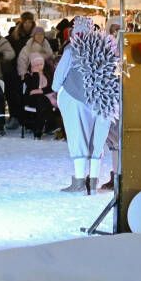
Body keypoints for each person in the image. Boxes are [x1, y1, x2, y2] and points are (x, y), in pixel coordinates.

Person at [53, 17, 118, 194]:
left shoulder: (72, 48)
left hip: (74, 96)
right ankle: (93, 182)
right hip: (102, 98)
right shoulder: (107, 47)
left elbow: (59, 76)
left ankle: (80, 181)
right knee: (97, 140)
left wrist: (56, 89)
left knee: (78, 137)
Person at [21, 54, 57, 140]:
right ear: (32, 65)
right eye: (36, 65)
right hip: (32, 100)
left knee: (43, 103)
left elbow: (51, 88)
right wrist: (36, 74)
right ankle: (50, 125)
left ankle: (38, 131)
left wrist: (40, 91)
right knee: (42, 101)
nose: (39, 66)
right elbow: (32, 87)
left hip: (45, 99)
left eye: (41, 64)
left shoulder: (47, 74)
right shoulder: (28, 75)